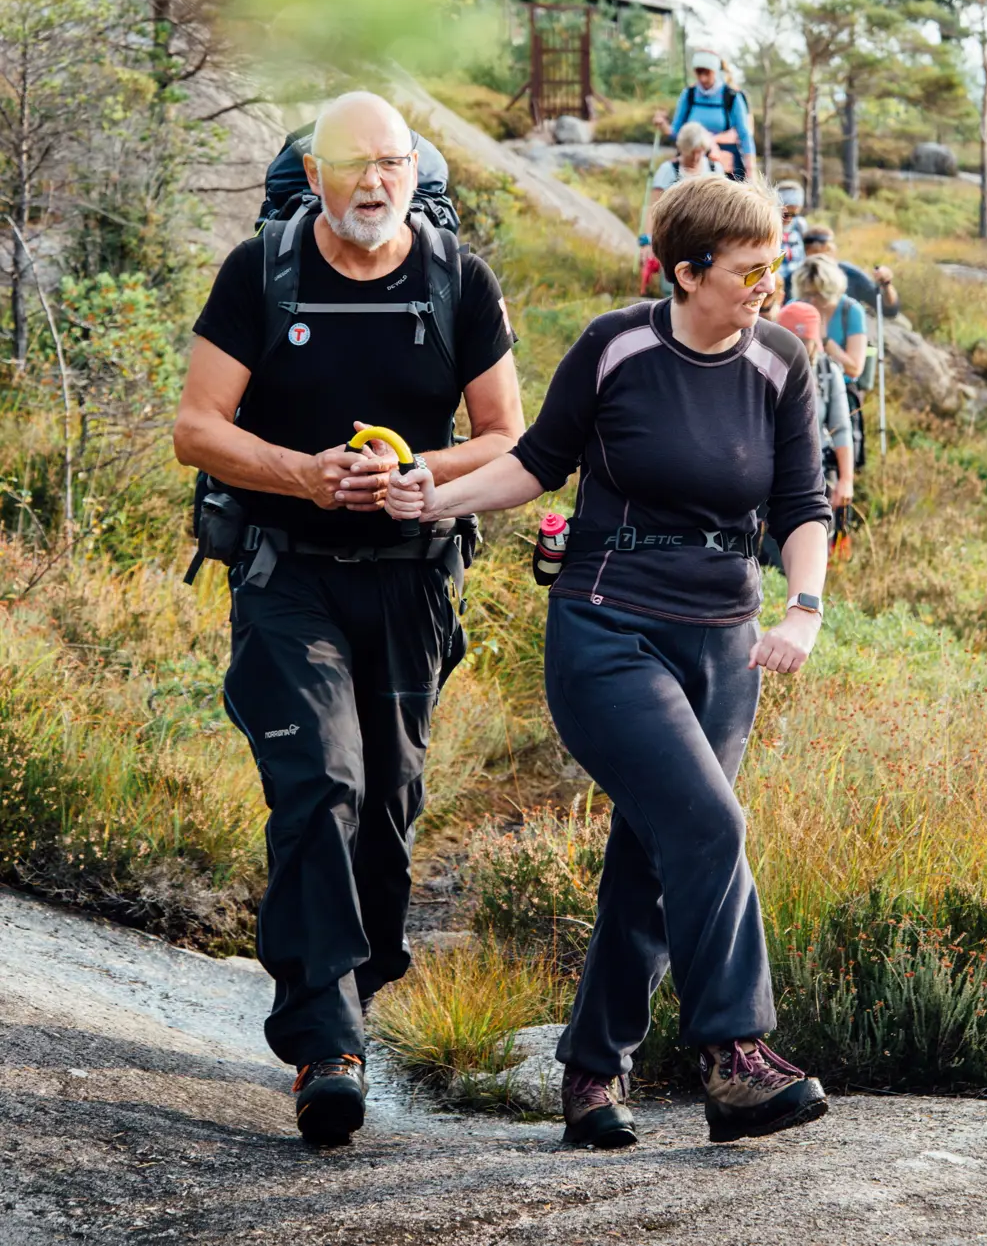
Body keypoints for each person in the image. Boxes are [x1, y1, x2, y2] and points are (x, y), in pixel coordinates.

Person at [387, 177, 832, 1150]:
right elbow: (536, 462)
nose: (768, 283)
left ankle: (593, 1072)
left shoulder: (782, 361)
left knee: (660, 851)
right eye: (750, 270)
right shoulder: (617, 346)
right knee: (710, 822)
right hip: (607, 627)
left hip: (725, 643)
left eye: (776, 266)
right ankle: (735, 1056)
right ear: (687, 272)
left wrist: (804, 607)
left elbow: (803, 508)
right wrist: (438, 499)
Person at [173, 91, 524, 1147]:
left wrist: (416, 468)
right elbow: (197, 426)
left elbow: (507, 433)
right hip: (289, 571)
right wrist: (303, 475)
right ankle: (326, 1039)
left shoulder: (459, 279)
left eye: (391, 164)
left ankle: (351, 990)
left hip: (412, 579)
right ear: (315, 175)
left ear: (415, 172)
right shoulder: (261, 273)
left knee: (388, 805)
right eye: (351, 165)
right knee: (321, 778)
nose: (373, 183)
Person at [776, 301, 853, 510]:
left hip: (814, 478)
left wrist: (845, 480)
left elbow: (842, 428)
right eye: (791, 339)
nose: (798, 347)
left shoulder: (828, 373)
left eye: (804, 340)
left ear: (815, 339)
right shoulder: (762, 369)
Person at [654, 48, 756, 181]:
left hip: (724, 162)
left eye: (707, 73)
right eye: (699, 73)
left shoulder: (732, 97)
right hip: (691, 159)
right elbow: (677, 132)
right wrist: (663, 126)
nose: (703, 78)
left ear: (716, 71)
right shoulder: (689, 95)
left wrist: (751, 171)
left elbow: (744, 134)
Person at [802, 224, 900, 319]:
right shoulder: (796, 279)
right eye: (815, 252)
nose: (821, 258)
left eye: (827, 250)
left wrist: (886, 283)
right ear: (806, 252)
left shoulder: (851, 275)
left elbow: (889, 310)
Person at [648, 120, 724, 207]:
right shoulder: (667, 170)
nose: (695, 157)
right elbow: (653, 208)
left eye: (699, 152)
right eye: (691, 153)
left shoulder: (715, 169)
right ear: (682, 149)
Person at [777, 182, 806, 301]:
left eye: (794, 214)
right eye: (785, 214)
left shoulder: (799, 225)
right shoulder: (770, 225)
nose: (789, 218)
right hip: (778, 281)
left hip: (798, 280)